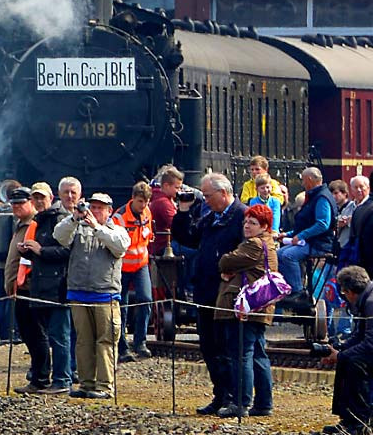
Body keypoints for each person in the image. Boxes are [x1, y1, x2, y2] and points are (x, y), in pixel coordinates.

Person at [173, 172, 248, 416]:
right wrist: (183, 212)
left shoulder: (241, 216)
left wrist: (232, 272)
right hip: (205, 290)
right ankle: (219, 394)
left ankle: (233, 397)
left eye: (207, 196)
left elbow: (250, 252)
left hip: (227, 293)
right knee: (208, 346)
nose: (204, 200)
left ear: (223, 193)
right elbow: (187, 237)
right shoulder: (211, 217)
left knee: (226, 347)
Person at [56, 192, 128, 400]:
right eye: (93, 207)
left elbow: (120, 247)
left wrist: (97, 228)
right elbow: (59, 236)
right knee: (83, 341)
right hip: (79, 292)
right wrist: (73, 218)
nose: (95, 211)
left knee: (106, 342)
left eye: (100, 208)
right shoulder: (77, 228)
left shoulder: (118, 231)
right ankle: (86, 384)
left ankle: (105, 387)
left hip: (106, 295)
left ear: (109, 211)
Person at [217, 203, 278, 418]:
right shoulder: (267, 244)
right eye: (245, 222)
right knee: (258, 354)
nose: (247, 226)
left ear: (264, 226)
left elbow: (225, 261)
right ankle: (263, 403)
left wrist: (228, 267)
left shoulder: (253, 245)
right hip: (259, 307)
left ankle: (241, 403)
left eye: (253, 223)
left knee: (241, 354)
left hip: (246, 308)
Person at [24, 181, 74, 393]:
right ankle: (42, 379)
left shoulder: (60, 218)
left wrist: (40, 250)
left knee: (59, 336)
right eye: (35, 198)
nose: (38, 201)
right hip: (40, 285)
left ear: (50, 198)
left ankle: (63, 380)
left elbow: (67, 251)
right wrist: (26, 250)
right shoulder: (38, 220)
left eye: (41, 197)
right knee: (43, 336)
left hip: (57, 285)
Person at [2, 185, 49, 393]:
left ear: (31, 203)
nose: (16, 207)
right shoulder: (20, 225)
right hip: (18, 289)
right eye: (14, 204)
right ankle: (36, 373)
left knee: (36, 334)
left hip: (30, 288)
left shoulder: (35, 225)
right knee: (28, 334)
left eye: (21, 203)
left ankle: (41, 377)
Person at [325, 265, 373, 435]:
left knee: (355, 364)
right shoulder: (371, 296)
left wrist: (342, 355)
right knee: (348, 359)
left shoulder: (372, 302)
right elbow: (360, 334)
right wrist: (341, 348)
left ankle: (358, 423)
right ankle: (348, 419)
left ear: (349, 291)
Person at [278, 168, 334, 298]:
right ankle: (287, 287)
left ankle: (298, 291)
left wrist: (301, 236)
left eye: (303, 180)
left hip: (319, 243)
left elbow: (322, 224)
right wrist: (288, 234)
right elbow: (306, 224)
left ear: (309, 180)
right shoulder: (314, 196)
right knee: (279, 253)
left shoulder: (322, 198)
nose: (302, 184)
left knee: (288, 256)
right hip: (309, 240)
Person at [115, 182, 155, 363]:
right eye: (140, 202)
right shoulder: (120, 218)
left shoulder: (146, 213)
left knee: (146, 299)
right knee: (121, 306)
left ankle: (140, 342)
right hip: (122, 268)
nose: (143, 206)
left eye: (146, 202)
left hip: (141, 265)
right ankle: (122, 346)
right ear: (133, 198)